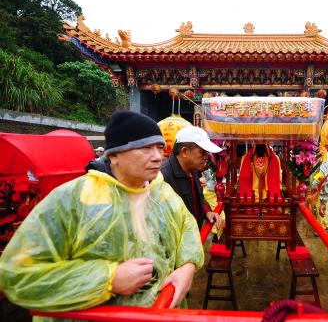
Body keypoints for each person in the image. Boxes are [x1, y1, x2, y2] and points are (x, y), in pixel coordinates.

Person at [0, 111, 204, 318]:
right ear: (114, 154)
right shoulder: (73, 199)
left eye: (160, 147)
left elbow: (186, 227)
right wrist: (108, 279)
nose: (157, 156)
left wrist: (187, 266)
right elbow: (18, 274)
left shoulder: (161, 192)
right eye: (145, 148)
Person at [161, 125, 222, 229]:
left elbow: (199, 198)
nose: (206, 157)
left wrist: (207, 212)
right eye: (202, 152)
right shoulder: (163, 177)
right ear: (185, 151)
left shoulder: (193, 169)